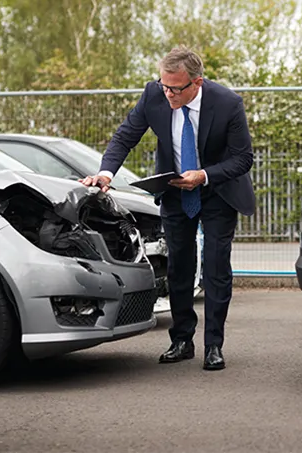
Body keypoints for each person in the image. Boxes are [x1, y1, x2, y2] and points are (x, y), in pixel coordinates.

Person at [81, 46, 255, 371]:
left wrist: (204, 175)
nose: (169, 94)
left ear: (197, 83)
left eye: (176, 88)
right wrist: (106, 173)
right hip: (175, 191)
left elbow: (243, 158)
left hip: (217, 191)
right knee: (179, 266)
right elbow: (125, 136)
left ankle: (213, 345)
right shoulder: (153, 95)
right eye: (165, 86)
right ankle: (182, 340)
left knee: (216, 268)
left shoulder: (228, 103)